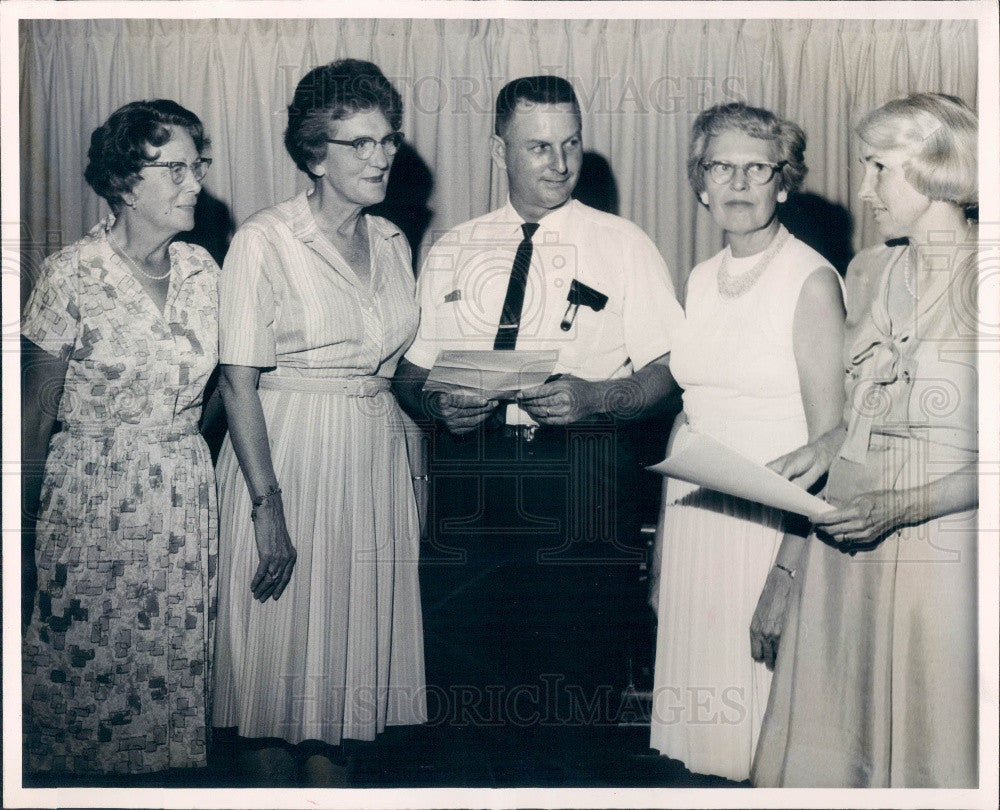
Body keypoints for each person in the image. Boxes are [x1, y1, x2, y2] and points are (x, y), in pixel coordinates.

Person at [394, 75, 683, 730]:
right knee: (466, 678)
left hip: (581, 475)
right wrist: (438, 407)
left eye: (571, 144)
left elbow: (670, 372)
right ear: (500, 152)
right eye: (538, 148)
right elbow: (410, 375)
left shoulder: (624, 244)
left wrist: (599, 397)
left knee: (576, 679)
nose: (560, 165)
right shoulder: (453, 249)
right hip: (471, 479)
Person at [752, 93, 979, 788]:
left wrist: (903, 506)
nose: (863, 188)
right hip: (844, 539)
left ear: (936, 166)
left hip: (943, 551)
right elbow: (853, 414)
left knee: (933, 741)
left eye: (878, 167)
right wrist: (827, 448)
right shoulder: (868, 270)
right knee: (838, 749)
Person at [211, 59, 426, 787]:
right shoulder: (264, 240)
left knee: (343, 693)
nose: (382, 156)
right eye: (359, 143)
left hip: (375, 471)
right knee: (276, 688)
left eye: (388, 139)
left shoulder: (395, 243)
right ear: (314, 155)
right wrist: (267, 508)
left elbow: (397, 374)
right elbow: (237, 381)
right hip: (287, 462)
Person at [648, 103, 846, 782]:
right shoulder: (700, 279)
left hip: (772, 530)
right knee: (702, 746)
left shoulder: (812, 281)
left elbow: (832, 444)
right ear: (700, 183)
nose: (736, 182)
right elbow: (692, 415)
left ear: (783, 181)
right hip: (697, 521)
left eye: (756, 167)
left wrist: (790, 573)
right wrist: (664, 556)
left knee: (763, 743)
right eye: (720, 166)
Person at [21, 100, 218, 776]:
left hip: (183, 508)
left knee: (171, 689)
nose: (197, 183)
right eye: (178, 169)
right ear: (127, 180)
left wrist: (179, 441)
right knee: (87, 691)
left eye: (198, 167)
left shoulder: (204, 273)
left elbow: (217, 390)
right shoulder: (69, 275)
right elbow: (30, 423)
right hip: (90, 508)